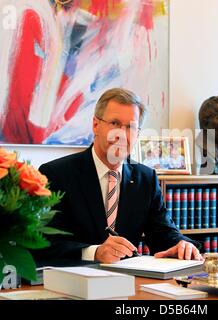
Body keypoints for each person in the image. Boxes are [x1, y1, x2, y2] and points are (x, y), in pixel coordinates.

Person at [34, 88, 202, 264]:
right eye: (114, 123)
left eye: (130, 126)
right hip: (73, 283)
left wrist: (183, 245)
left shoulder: (146, 178)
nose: (122, 134)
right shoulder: (56, 174)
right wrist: (95, 252)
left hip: (131, 284)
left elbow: (163, 232)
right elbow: (44, 242)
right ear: (96, 125)